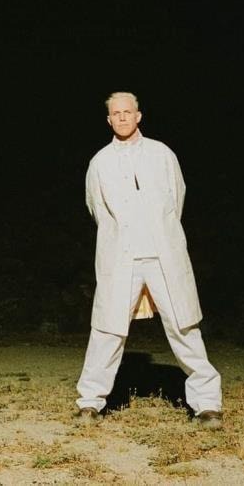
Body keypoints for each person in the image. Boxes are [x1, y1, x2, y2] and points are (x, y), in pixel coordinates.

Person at [76, 92, 222, 429]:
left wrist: (160, 235)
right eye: (116, 113)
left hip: (162, 255)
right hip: (121, 257)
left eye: (127, 112)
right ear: (108, 120)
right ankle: (90, 402)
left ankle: (207, 404)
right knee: (107, 329)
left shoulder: (162, 154)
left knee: (184, 325)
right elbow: (97, 208)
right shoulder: (100, 162)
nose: (122, 118)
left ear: (138, 116)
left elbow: (176, 199)